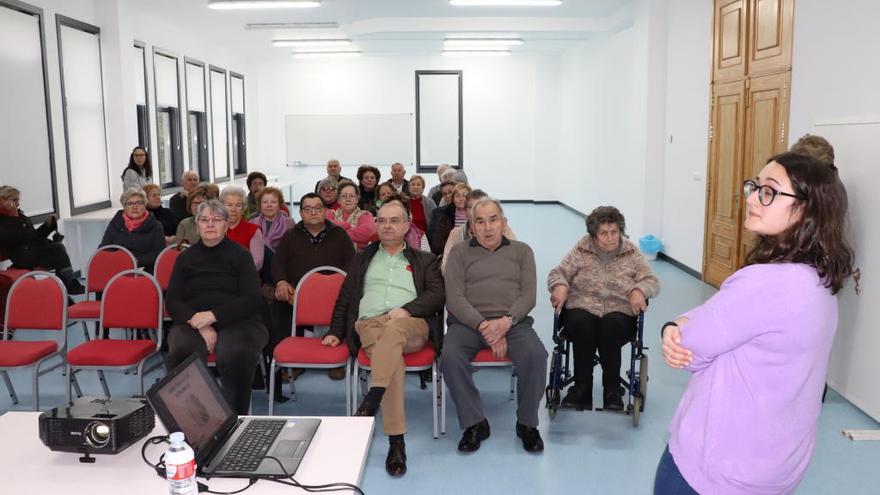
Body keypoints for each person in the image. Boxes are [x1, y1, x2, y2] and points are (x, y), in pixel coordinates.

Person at [655, 152, 856, 494]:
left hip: (714, 471)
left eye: (769, 191)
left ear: (806, 209)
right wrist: (697, 320)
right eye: (755, 186)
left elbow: (689, 346)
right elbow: (727, 318)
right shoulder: (819, 280)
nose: (751, 198)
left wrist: (675, 324)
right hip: (774, 468)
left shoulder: (767, 283)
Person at [324, 201, 444, 477]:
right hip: (369, 325)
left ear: (406, 225)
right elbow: (345, 297)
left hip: (411, 324)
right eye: (381, 220)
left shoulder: (423, 260)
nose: (387, 226)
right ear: (375, 225)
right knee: (392, 364)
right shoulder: (362, 259)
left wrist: (408, 310)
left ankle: (373, 400)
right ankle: (395, 441)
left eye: (393, 220)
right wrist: (334, 331)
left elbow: (437, 295)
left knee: (393, 333)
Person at [442, 198, 547, 454]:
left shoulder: (522, 252)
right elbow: (454, 299)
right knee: (450, 357)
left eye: (493, 220)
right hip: (468, 324)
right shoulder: (459, 252)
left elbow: (528, 297)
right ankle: (475, 423)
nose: (487, 228)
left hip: (513, 323)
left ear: (504, 222)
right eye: (480, 222)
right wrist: (485, 327)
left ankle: (527, 423)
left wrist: (505, 323)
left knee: (536, 355)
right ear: (472, 226)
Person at [547, 206, 659, 411]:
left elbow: (651, 280)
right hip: (582, 307)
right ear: (593, 234)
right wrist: (560, 286)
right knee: (581, 324)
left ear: (620, 231)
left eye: (614, 232)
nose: (610, 238)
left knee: (611, 326)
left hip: (619, 312)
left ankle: (612, 389)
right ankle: (581, 388)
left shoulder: (631, 252)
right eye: (603, 233)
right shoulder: (582, 249)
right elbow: (558, 272)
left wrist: (639, 290)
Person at [165, 199, 268, 415]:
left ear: (225, 224)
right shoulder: (185, 258)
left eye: (216, 219)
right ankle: (197, 418)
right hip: (193, 322)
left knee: (234, 352)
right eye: (204, 220)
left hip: (240, 320)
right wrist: (199, 323)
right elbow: (173, 301)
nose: (210, 225)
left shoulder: (240, 255)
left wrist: (213, 316)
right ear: (197, 224)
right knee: (181, 350)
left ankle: (234, 418)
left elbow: (252, 299)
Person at [269, 193, 356, 386]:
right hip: (297, 294)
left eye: (318, 208)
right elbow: (278, 262)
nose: (313, 212)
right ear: (300, 213)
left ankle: (335, 359)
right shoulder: (291, 235)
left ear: (326, 211)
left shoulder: (339, 234)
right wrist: (281, 281)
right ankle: (293, 362)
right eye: (308, 209)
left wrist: (341, 287)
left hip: (334, 293)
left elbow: (352, 264)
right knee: (278, 307)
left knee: (346, 306)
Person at [0, 185, 84, 294]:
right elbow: (13, 238)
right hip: (21, 257)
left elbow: (34, 237)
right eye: (14, 200)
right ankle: (68, 285)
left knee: (57, 250)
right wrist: (14, 218)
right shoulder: (5, 219)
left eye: (18, 200)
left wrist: (47, 225)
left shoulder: (19, 215)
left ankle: (65, 290)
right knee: (58, 250)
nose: (17, 204)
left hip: (32, 251)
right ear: (3, 200)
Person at [441, 189, 517, 275]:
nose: (477, 211)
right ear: (465, 211)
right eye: (472, 207)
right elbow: (446, 266)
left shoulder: (503, 229)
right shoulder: (455, 234)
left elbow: (515, 259)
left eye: (481, 206)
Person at [99, 188, 165, 272]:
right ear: (124, 206)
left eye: (139, 203)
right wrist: (117, 260)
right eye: (130, 203)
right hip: (117, 267)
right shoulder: (116, 222)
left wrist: (134, 260)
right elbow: (104, 247)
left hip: (145, 269)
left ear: (145, 205)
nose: (134, 206)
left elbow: (158, 254)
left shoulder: (155, 225)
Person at [249, 186, 295, 283]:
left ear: (279, 205)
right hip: (257, 269)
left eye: (273, 202)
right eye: (265, 202)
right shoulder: (251, 224)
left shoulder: (289, 223)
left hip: (282, 267)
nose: (269, 205)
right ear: (260, 205)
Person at [221, 186, 264, 271]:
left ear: (244, 209)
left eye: (238, 205)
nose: (233, 209)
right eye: (229, 205)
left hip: (245, 278)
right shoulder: (214, 229)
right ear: (221, 208)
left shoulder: (254, 231)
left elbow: (257, 263)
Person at [327, 180, 377, 251]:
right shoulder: (330, 214)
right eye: (344, 196)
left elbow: (367, 233)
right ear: (339, 200)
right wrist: (346, 225)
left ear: (357, 199)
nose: (348, 199)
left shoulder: (365, 215)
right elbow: (324, 230)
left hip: (358, 258)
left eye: (352, 196)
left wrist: (336, 234)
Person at [429, 182, 471, 255]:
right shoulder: (445, 218)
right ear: (453, 199)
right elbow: (436, 246)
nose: (461, 199)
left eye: (464, 195)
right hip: (451, 256)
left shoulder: (476, 216)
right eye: (457, 196)